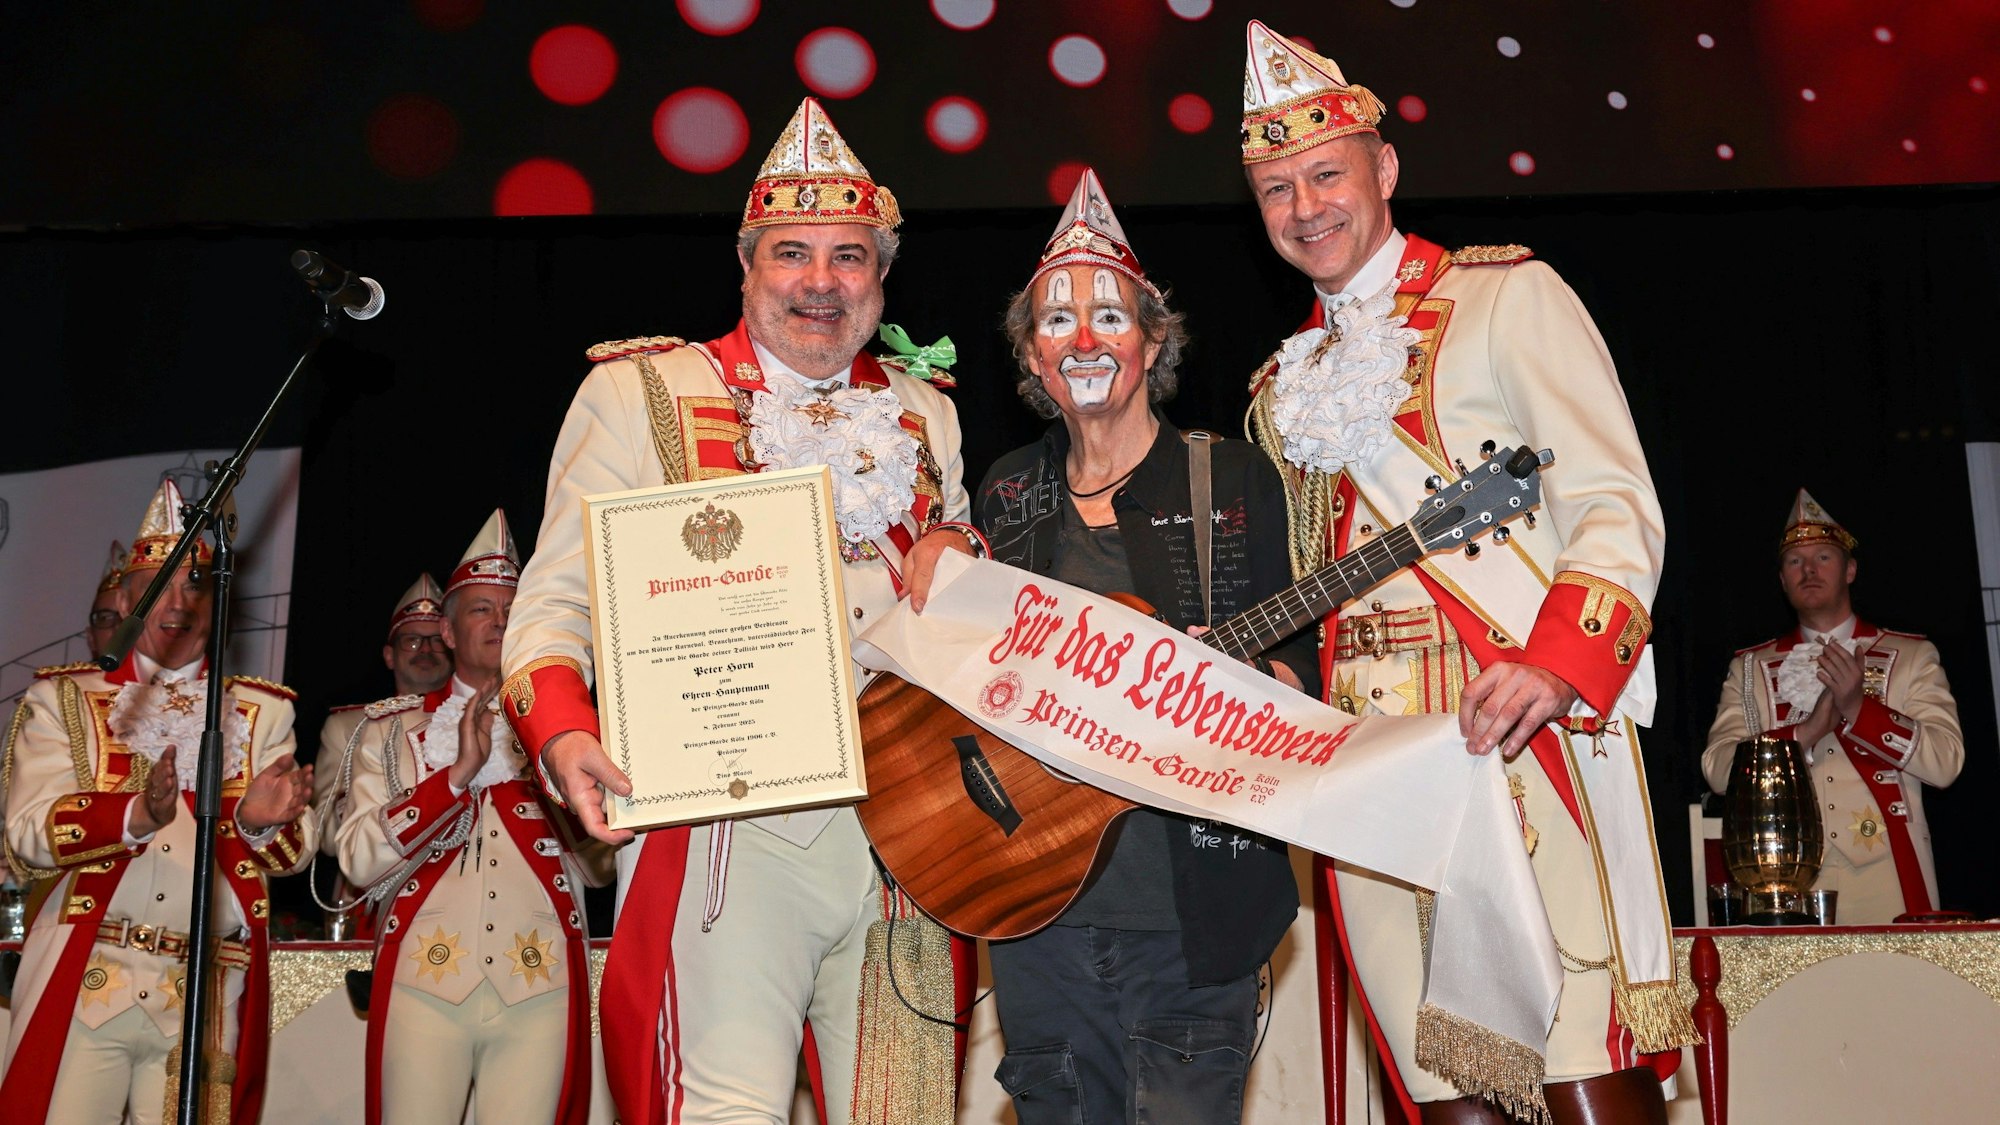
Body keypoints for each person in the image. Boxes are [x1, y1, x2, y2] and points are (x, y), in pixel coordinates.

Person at [1236, 22, 1693, 1124]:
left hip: (1520, 722)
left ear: (1382, 170)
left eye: (1325, 175)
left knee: (1584, 1061)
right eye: (1275, 190)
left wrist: (1554, 666)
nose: (1305, 209)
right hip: (1371, 768)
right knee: (1450, 1090)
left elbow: (1612, 502)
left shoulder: (1505, 297)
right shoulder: (1273, 392)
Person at [500, 97, 977, 1125]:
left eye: (848, 257)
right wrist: (563, 729)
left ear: (880, 276)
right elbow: (551, 604)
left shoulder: (926, 412)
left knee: (905, 1116)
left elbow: (958, 624)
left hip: (906, 838)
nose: (819, 282)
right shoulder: (645, 394)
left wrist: (961, 554)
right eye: (791, 254)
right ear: (746, 264)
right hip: (725, 828)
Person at [974, 168, 1315, 1125]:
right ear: (1030, 355)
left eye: (1110, 317)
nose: (1083, 340)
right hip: (1036, 909)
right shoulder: (1003, 491)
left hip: (1192, 911)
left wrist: (1250, 684)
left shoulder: (1229, 476)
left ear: (1154, 340)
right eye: (1055, 321)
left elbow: (1304, 670)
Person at [1, 478, 315, 1124]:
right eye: (158, 581)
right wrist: (132, 815)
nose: (177, 601)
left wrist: (252, 824)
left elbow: (295, 850)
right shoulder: (65, 697)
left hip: (199, 993)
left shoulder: (260, 710)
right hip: (90, 972)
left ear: (217, 597)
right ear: (122, 596)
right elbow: (26, 831)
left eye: (194, 583)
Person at [337, 512, 607, 1124]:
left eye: (514, 606)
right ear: (449, 633)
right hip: (421, 984)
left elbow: (601, 870)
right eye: (482, 608)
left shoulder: (576, 734)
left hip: (540, 987)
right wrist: (456, 775)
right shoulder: (391, 730)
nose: (503, 619)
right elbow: (355, 858)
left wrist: (545, 759)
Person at [1702, 490, 1963, 922]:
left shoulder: (1912, 655)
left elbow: (1947, 762)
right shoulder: (1749, 668)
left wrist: (1860, 709)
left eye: (1823, 557)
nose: (1808, 570)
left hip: (1886, 872)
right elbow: (1716, 771)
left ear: (1850, 570)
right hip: (1784, 880)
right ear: (1783, 580)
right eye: (1794, 562)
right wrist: (1802, 734)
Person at [314, 573, 451, 851]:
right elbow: (324, 832)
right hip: (376, 883)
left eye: (436, 640)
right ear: (389, 656)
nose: (425, 649)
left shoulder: (478, 720)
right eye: (412, 640)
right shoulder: (348, 726)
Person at [85, 540, 126, 660]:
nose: (118, 627)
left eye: (128, 616)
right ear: (91, 638)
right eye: (106, 618)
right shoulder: (65, 679)